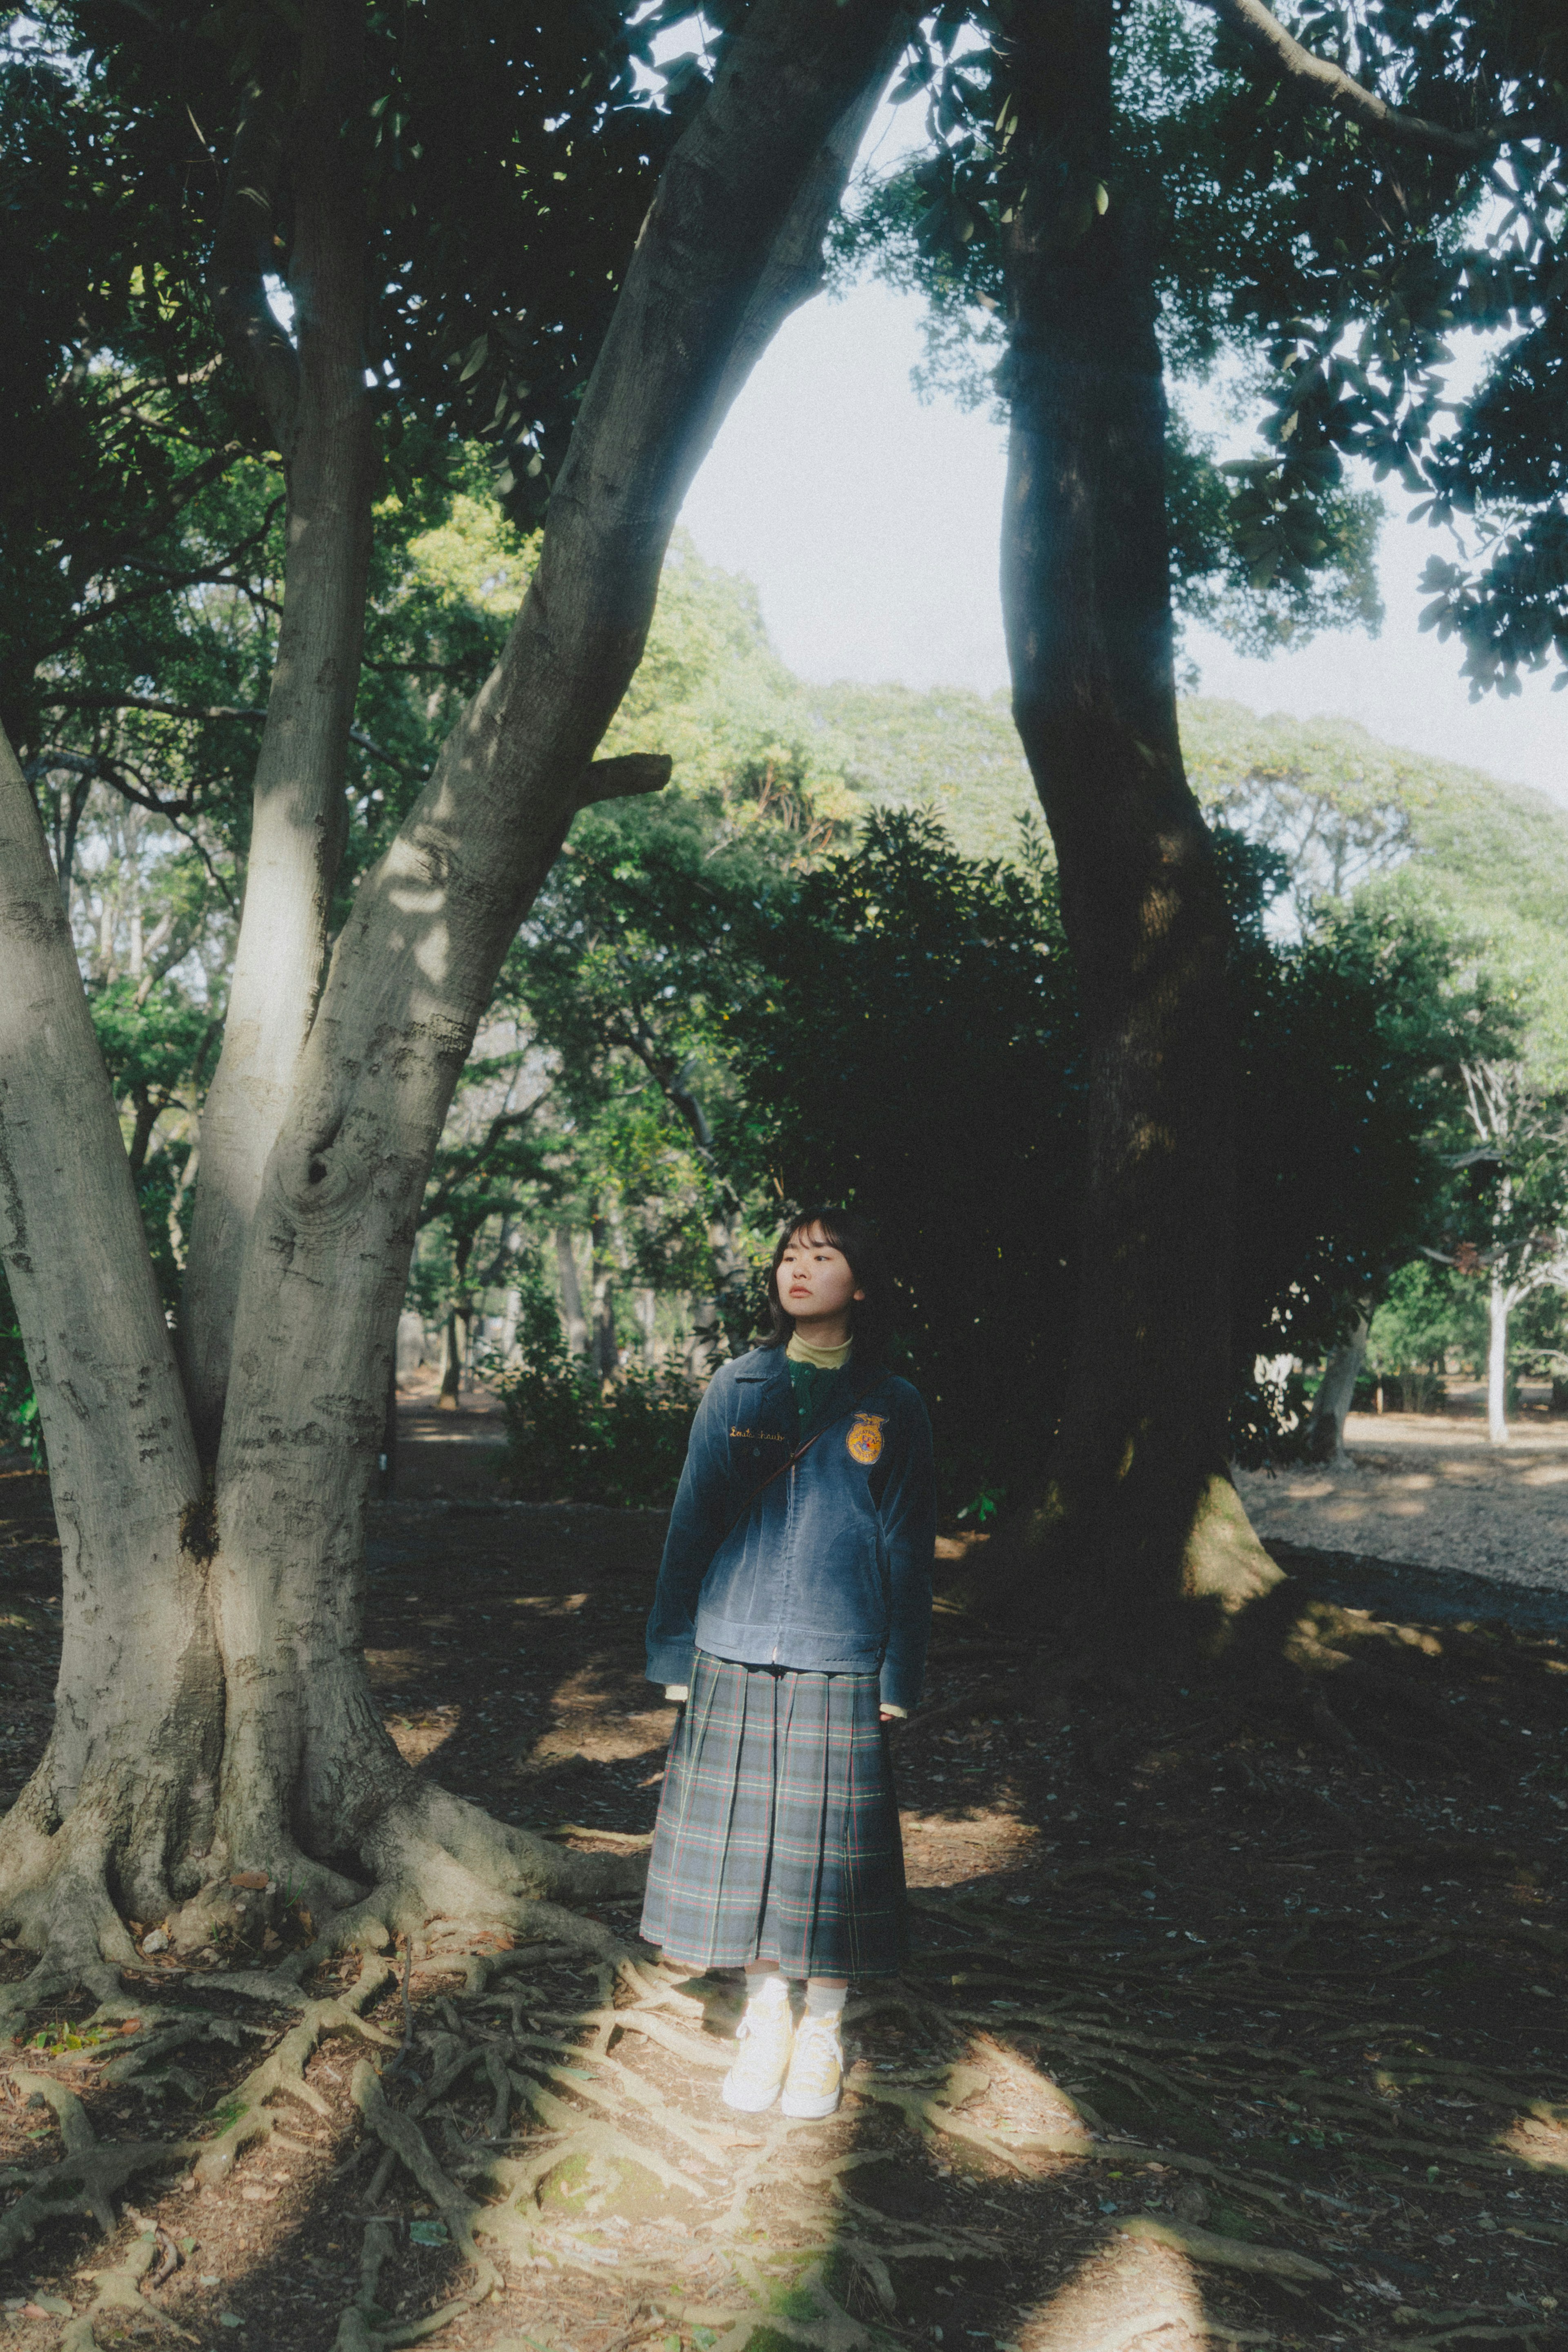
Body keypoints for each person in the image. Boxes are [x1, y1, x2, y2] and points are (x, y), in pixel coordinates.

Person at [641, 1206, 935, 2120]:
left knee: (828, 1851)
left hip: (838, 1656)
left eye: (824, 1256)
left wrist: (897, 1677)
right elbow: (692, 1521)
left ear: (863, 1282)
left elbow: (907, 1548)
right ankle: (768, 2015)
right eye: (789, 1257)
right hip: (731, 1647)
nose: (798, 1271)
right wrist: (674, 1649)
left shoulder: (894, 1403)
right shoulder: (738, 1386)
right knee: (750, 1847)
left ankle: (823, 2028)